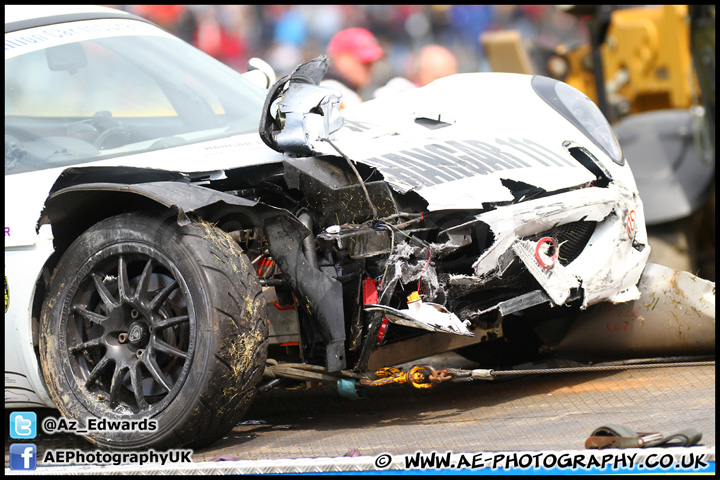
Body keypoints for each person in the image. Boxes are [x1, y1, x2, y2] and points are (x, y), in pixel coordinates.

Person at [321, 27, 384, 108]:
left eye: (371, 63)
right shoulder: (332, 92)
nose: (369, 68)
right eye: (364, 62)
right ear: (341, 58)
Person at [373, 44, 458, 98]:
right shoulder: (397, 95)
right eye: (438, 78)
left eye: (451, 78)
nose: (445, 84)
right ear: (417, 76)